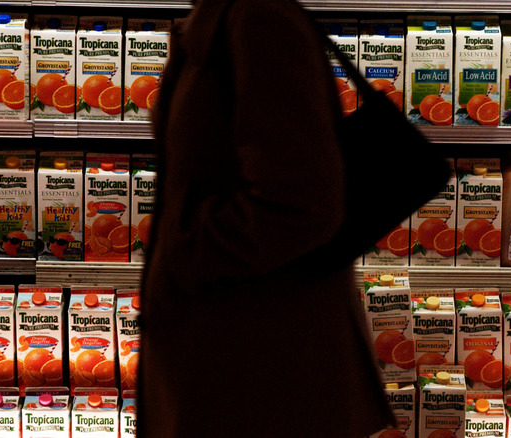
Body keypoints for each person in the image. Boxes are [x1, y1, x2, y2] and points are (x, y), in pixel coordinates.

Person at [137, 0, 395, 436]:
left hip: (259, 374)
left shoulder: (259, 18)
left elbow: (302, 202)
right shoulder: (222, 16)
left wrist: (183, 250)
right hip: (239, 359)